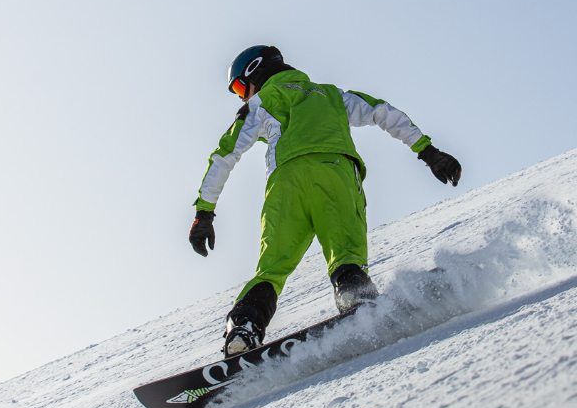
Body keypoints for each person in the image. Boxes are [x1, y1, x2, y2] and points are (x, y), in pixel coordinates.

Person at [189, 45, 461, 357]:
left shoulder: (263, 102)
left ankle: (244, 328)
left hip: (285, 185)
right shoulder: (331, 95)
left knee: (272, 268)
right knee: (346, 255)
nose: (241, 96)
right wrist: (428, 152)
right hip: (336, 175)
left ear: (255, 72)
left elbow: (224, 155)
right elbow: (383, 111)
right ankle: (357, 301)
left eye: (239, 87)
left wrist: (204, 213)